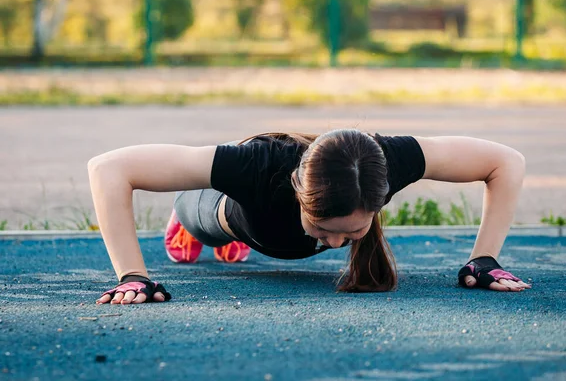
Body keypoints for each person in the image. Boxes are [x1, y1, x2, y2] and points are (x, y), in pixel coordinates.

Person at [89, 129, 531, 305]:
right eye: (324, 229)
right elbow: (108, 168)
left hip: (280, 219)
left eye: (353, 231)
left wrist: (485, 259)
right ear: (301, 196)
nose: (336, 246)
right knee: (196, 215)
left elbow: (505, 161)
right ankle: (193, 225)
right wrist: (133, 274)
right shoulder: (257, 166)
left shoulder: (389, 162)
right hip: (221, 212)